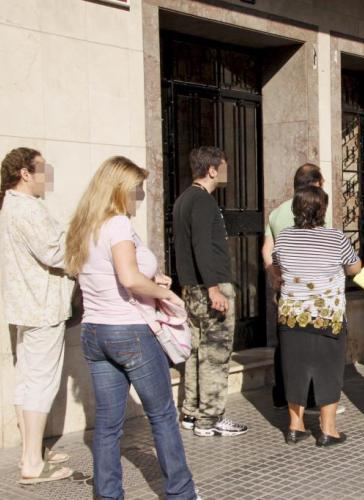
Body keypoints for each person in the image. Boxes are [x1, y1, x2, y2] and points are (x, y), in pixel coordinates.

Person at [65, 156, 198, 499]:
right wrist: (166, 294)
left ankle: (108, 495)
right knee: (162, 415)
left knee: (108, 425)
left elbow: (108, 275)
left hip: (94, 332)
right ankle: (182, 493)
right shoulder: (118, 224)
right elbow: (128, 278)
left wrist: (152, 278)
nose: (140, 196)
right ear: (119, 189)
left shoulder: (84, 226)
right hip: (129, 331)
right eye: (137, 189)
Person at [0, 148, 74, 485]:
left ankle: (32, 451)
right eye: (42, 169)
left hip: (27, 306)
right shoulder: (26, 208)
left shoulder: (11, 205)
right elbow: (56, 252)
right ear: (25, 174)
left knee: (29, 380)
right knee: (40, 383)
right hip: (42, 307)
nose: (47, 176)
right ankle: (32, 462)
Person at [272, 186, 361, 447]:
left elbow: (277, 265)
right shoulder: (336, 238)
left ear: (296, 209)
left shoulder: (284, 238)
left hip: (291, 317)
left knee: (294, 369)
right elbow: (354, 267)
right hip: (327, 317)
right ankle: (328, 430)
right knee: (329, 370)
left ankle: (295, 427)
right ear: (322, 210)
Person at [173, 146, 247, 437]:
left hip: (192, 289)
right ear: (212, 170)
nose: (226, 172)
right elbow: (202, 247)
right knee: (216, 355)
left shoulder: (183, 200)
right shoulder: (203, 201)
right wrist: (214, 289)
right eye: (223, 167)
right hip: (210, 288)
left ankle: (191, 412)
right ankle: (210, 418)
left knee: (195, 353)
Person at [261, 163, 336, 412]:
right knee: (313, 345)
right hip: (312, 290)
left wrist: (273, 274)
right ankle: (311, 398)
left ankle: (281, 395)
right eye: (322, 183)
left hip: (286, 287)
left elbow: (267, 249)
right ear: (315, 184)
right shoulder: (317, 208)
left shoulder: (276, 213)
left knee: (285, 341)